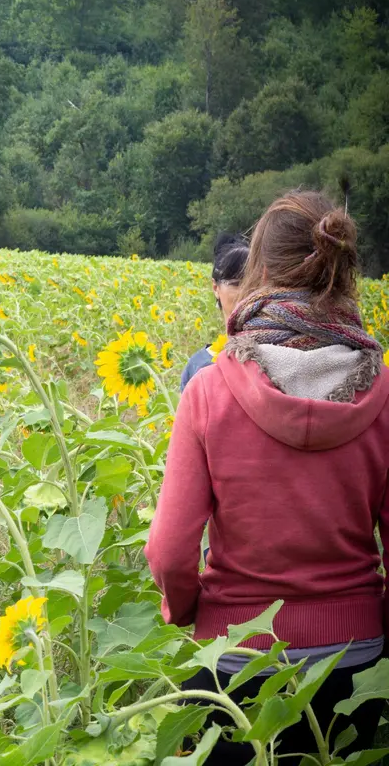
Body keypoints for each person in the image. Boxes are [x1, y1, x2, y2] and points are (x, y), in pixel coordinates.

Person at [146, 190, 389, 765]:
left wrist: (187, 613)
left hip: (236, 657)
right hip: (354, 664)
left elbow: (168, 551)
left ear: (258, 271)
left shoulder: (210, 388)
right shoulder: (383, 393)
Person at [181, 235, 250, 390]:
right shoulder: (198, 365)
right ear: (215, 288)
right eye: (236, 284)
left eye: (254, 284)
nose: (246, 293)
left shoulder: (273, 355)